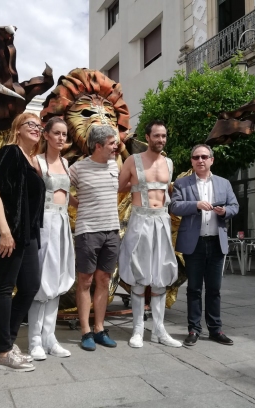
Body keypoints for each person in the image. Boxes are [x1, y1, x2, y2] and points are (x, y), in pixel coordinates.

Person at [0, 112, 46, 371]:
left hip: (26, 232)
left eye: (39, 126)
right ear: (17, 129)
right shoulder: (10, 152)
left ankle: (8, 340)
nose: (37, 129)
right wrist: (5, 232)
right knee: (5, 288)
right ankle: (2, 352)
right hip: (8, 230)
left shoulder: (32, 160)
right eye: (31, 124)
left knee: (30, 286)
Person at [118, 120, 181, 348]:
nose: (161, 140)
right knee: (138, 275)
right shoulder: (132, 161)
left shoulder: (169, 163)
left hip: (162, 221)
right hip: (140, 219)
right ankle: (137, 329)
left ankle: (159, 330)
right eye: (157, 136)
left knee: (160, 276)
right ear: (148, 137)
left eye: (164, 136)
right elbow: (120, 186)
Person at [169, 144, 239, 347]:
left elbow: (235, 206)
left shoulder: (224, 183)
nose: (200, 160)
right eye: (196, 157)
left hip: (217, 241)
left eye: (204, 157)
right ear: (191, 161)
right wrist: (196, 205)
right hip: (194, 243)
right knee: (194, 288)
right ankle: (193, 329)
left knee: (214, 289)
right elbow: (174, 206)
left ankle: (216, 329)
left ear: (211, 160)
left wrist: (224, 211)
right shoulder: (182, 183)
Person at [27, 117, 77, 360]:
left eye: (64, 134)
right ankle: (35, 340)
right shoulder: (36, 161)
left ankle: (50, 338)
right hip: (44, 225)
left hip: (62, 224)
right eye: (56, 133)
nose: (60, 138)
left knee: (57, 281)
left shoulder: (67, 163)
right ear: (46, 135)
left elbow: (67, 196)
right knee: (41, 283)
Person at [70, 125, 120, 351]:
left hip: (112, 231)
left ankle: (99, 329)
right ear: (98, 145)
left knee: (103, 280)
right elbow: (57, 186)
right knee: (85, 281)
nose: (115, 146)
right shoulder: (78, 168)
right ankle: (85, 332)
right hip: (88, 231)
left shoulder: (114, 166)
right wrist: (75, 203)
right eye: (111, 143)